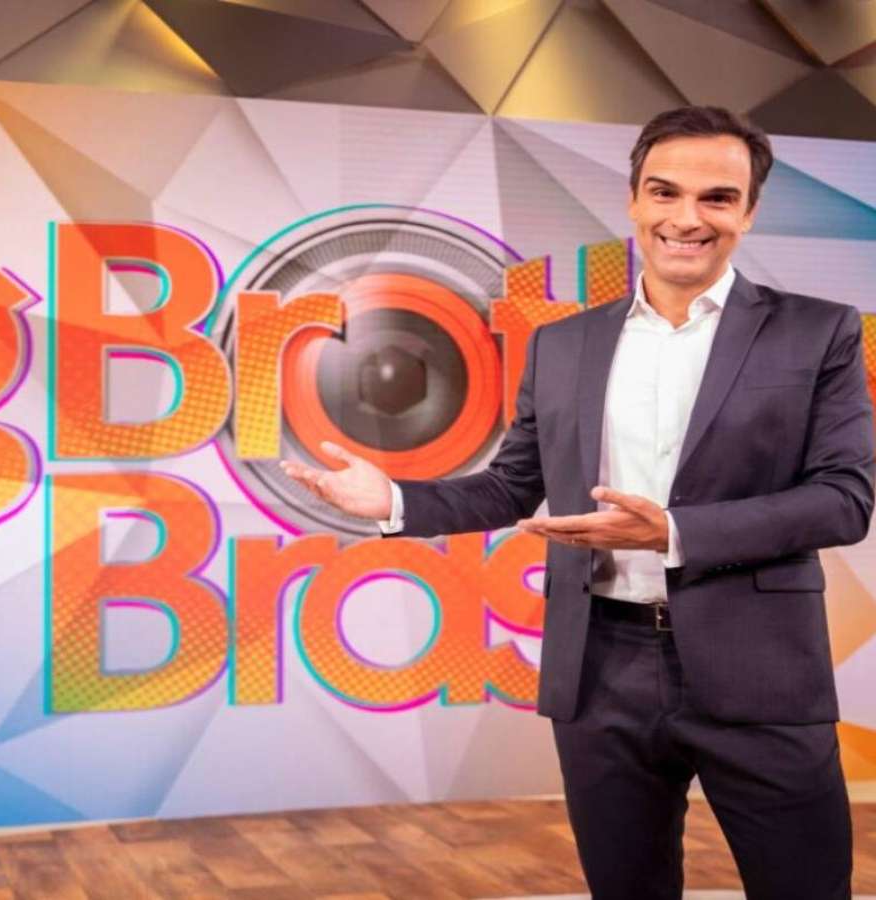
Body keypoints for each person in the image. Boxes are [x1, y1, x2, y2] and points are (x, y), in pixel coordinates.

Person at [280, 105, 873, 899]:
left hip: (760, 668)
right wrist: (392, 498)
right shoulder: (564, 343)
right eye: (664, 192)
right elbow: (511, 485)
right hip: (601, 669)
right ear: (634, 200)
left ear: (749, 211)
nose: (686, 219)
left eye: (717, 198)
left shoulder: (817, 332)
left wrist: (674, 531)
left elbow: (843, 499)